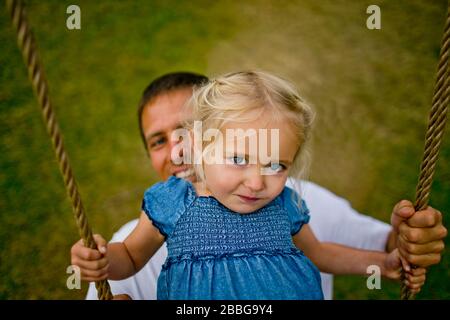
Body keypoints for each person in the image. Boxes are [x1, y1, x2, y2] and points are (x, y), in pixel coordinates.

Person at [83, 71, 447, 300]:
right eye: (159, 140)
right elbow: (129, 258)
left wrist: (385, 260)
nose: (257, 181)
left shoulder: (288, 201)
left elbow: (322, 254)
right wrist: (101, 259)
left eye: (276, 164)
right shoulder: (169, 207)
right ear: (202, 146)